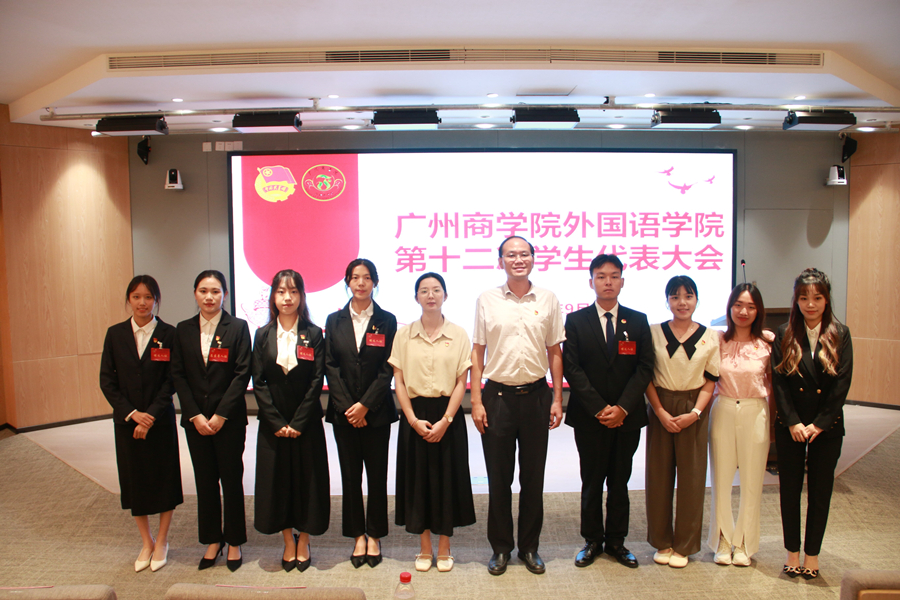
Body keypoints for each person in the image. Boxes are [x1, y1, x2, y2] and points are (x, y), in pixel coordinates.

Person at [470, 235, 566, 576]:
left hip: (537, 396)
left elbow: (555, 351)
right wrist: (475, 400)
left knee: (533, 478)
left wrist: (557, 398)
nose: (518, 259)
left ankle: (529, 547)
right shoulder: (487, 299)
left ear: (533, 259)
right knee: (499, 479)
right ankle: (500, 548)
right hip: (497, 398)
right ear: (501, 262)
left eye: (524, 254)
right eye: (511, 255)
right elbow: (478, 351)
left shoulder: (548, 299)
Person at [563, 254, 653, 570]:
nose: (608, 282)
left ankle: (616, 542)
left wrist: (623, 408)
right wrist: (600, 408)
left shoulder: (638, 320)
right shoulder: (576, 321)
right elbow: (572, 368)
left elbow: (645, 367)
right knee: (591, 481)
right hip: (590, 417)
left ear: (622, 281)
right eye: (601, 276)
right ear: (591, 282)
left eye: (614, 276)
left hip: (627, 418)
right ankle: (592, 541)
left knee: (619, 481)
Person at [390, 272, 476, 573]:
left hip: (447, 415)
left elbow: (461, 382)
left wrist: (446, 420)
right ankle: (425, 546)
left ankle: (444, 546)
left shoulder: (459, 334)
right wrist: (412, 420)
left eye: (436, 290)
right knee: (419, 482)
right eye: (424, 290)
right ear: (416, 297)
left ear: (445, 296)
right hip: (414, 415)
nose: (430, 295)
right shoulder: (404, 335)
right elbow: (399, 381)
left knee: (446, 480)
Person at [773, 268, 853, 580]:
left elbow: (842, 383)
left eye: (817, 298)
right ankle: (792, 553)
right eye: (804, 298)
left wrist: (819, 424)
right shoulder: (784, 333)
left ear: (826, 300)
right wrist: (793, 421)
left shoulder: (840, 333)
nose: (810, 304)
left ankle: (812, 555)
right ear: (796, 300)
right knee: (789, 490)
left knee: (820, 492)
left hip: (826, 426)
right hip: (790, 425)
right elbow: (779, 384)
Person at [99, 275, 183, 573]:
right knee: (135, 481)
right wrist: (133, 414)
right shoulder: (115, 334)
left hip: (159, 422)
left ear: (156, 300)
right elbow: (107, 381)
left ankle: (162, 541)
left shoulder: (169, 334)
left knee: (164, 480)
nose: (142, 303)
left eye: (148, 297)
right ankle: (146, 541)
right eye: (136, 297)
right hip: (127, 424)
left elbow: (172, 379)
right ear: (129, 300)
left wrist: (150, 416)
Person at [172, 269, 252, 571]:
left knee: (231, 480)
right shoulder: (183, 329)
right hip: (196, 422)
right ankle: (211, 539)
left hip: (228, 420)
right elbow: (178, 374)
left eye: (215, 291)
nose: (209, 297)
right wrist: (194, 415)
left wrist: (220, 415)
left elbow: (242, 373)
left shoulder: (238, 327)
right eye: (203, 291)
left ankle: (234, 540)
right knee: (205, 481)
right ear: (195, 294)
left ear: (225, 295)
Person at [252, 270, 330, 572]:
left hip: (306, 423)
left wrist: (298, 422)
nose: (287, 298)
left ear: (302, 296)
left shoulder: (314, 333)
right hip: (273, 425)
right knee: (278, 481)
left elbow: (317, 380)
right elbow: (259, 381)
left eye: (294, 291)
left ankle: (304, 539)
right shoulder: (262, 334)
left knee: (308, 480)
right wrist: (276, 421)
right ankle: (287, 540)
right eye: (281, 292)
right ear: (273, 296)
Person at [324, 258, 398, 568]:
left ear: (374, 283)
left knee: (377, 476)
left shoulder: (387, 320)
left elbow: (388, 367)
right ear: (347, 282)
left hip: (377, 413)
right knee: (351, 476)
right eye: (355, 277)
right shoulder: (334, 320)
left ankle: (375, 534)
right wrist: (348, 407)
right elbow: (331, 365)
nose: (361, 283)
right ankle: (357, 535)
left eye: (367, 277)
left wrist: (365, 404)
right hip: (343, 415)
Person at [645, 275, 719, 569]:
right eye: (675, 297)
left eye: (688, 296)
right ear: (667, 301)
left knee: (692, 478)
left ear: (697, 299)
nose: (682, 302)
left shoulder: (711, 336)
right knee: (658, 477)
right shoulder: (653, 332)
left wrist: (695, 413)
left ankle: (685, 545)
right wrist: (660, 411)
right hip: (660, 405)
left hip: (694, 408)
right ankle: (662, 541)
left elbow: (711, 380)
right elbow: (646, 376)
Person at [708, 283, 775, 567]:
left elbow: (773, 383)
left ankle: (745, 542)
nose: (743, 311)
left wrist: (774, 423)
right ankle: (723, 539)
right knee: (721, 479)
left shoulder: (768, 342)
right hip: (723, 407)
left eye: (750, 306)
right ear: (730, 307)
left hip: (755, 410)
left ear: (758, 311)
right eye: (738, 305)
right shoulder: (716, 340)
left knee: (751, 481)